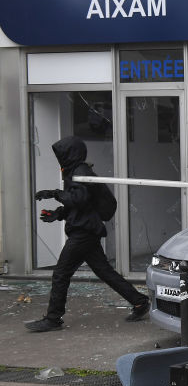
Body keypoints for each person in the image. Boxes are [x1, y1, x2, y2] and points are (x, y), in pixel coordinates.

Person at [26, 136, 150, 333]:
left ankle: (53, 319)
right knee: (104, 272)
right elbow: (80, 205)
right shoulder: (74, 171)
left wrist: (54, 193)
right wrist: (58, 214)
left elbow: (80, 198)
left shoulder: (81, 171)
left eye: (61, 154)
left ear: (70, 153)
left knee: (60, 274)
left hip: (83, 234)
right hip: (86, 230)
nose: (59, 158)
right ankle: (140, 302)